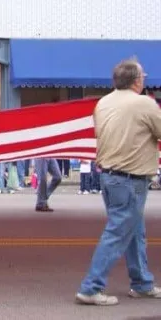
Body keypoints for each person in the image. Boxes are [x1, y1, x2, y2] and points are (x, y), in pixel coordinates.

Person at [76, 58, 161, 306]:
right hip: (131, 177)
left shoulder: (103, 102)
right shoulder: (144, 103)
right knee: (117, 233)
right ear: (137, 80)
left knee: (134, 231)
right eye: (142, 75)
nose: (144, 78)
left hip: (109, 175)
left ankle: (142, 282)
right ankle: (91, 287)